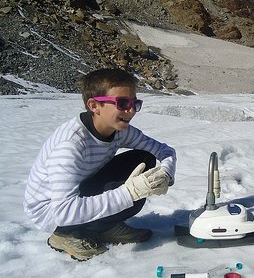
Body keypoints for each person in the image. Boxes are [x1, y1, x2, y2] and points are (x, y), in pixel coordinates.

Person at [24, 68, 177, 261]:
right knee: (131, 195)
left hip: (80, 189)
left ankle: (105, 226)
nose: (130, 111)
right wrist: (130, 193)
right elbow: (63, 211)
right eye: (122, 103)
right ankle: (65, 236)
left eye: (134, 103)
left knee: (144, 158)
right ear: (94, 105)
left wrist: (166, 173)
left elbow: (165, 150)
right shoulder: (70, 145)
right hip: (51, 212)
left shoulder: (120, 130)